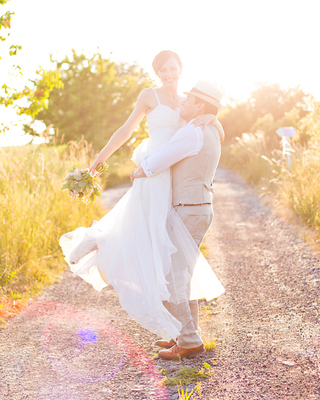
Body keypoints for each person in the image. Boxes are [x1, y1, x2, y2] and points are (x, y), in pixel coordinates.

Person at [59, 50, 224, 344]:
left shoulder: (189, 107)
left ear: (181, 68)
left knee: (173, 257)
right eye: (163, 70)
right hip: (153, 171)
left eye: (173, 68)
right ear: (157, 73)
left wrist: (211, 115)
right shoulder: (150, 96)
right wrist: (99, 158)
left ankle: (181, 333)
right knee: (145, 236)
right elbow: (126, 128)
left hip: (174, 178)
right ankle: (98, 241)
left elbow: (204, 119)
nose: (168, 74)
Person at [131, 80, 224, 359]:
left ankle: (188, 340)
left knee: (173, 274)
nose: (182, 103)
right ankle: (184, 333)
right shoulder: (205, 128)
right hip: (197, 207)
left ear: (200, 106)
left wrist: (140, 170)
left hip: (190, 207)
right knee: (182, 275)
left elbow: (161, 158)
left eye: (189, 100)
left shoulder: (194, 131)